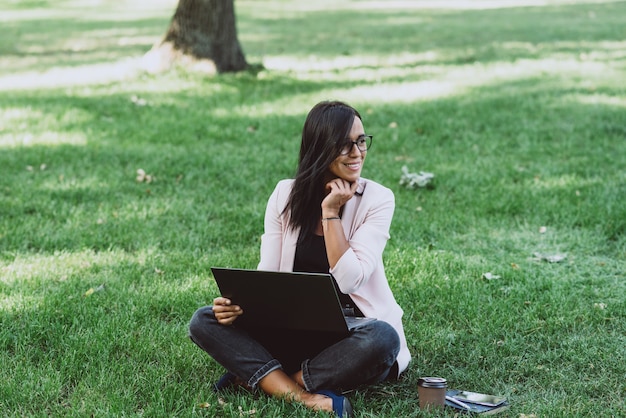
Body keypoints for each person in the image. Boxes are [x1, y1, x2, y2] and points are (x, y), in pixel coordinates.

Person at [189, 100, 411, 417]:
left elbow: (352, 279)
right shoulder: (284, 195)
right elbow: (267, 277)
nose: (358, 152)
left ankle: (267, 381)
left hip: (355, 332)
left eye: (361, 141)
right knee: (205, 319)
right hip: (293, 330)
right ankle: (302, 396)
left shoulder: (377, 199)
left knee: (383, 340)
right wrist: (239, 307)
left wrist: (331, 213)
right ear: (319, 148)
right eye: (345, 145)